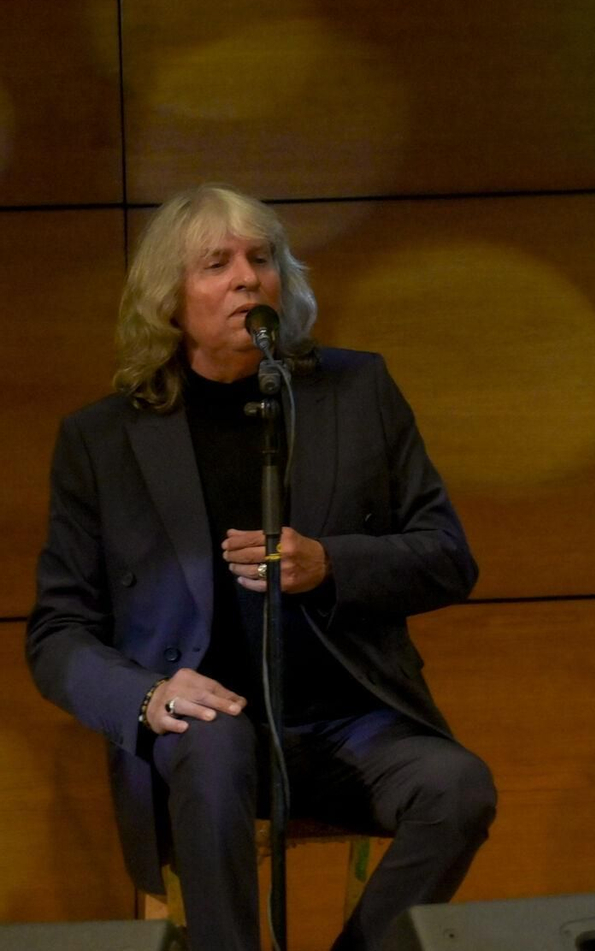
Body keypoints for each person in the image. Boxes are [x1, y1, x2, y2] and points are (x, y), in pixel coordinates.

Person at [27, 183, 497, 951]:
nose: (248, 277)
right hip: (206, 736)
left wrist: (329, 564)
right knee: (214, 744)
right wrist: (146, 696)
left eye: (262, 257)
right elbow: (56, 633)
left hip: (351, 722)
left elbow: (448, 556)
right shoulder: (102, 442)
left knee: (458, 788)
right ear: (169, 300)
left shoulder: (358, 392)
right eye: (217, 263)